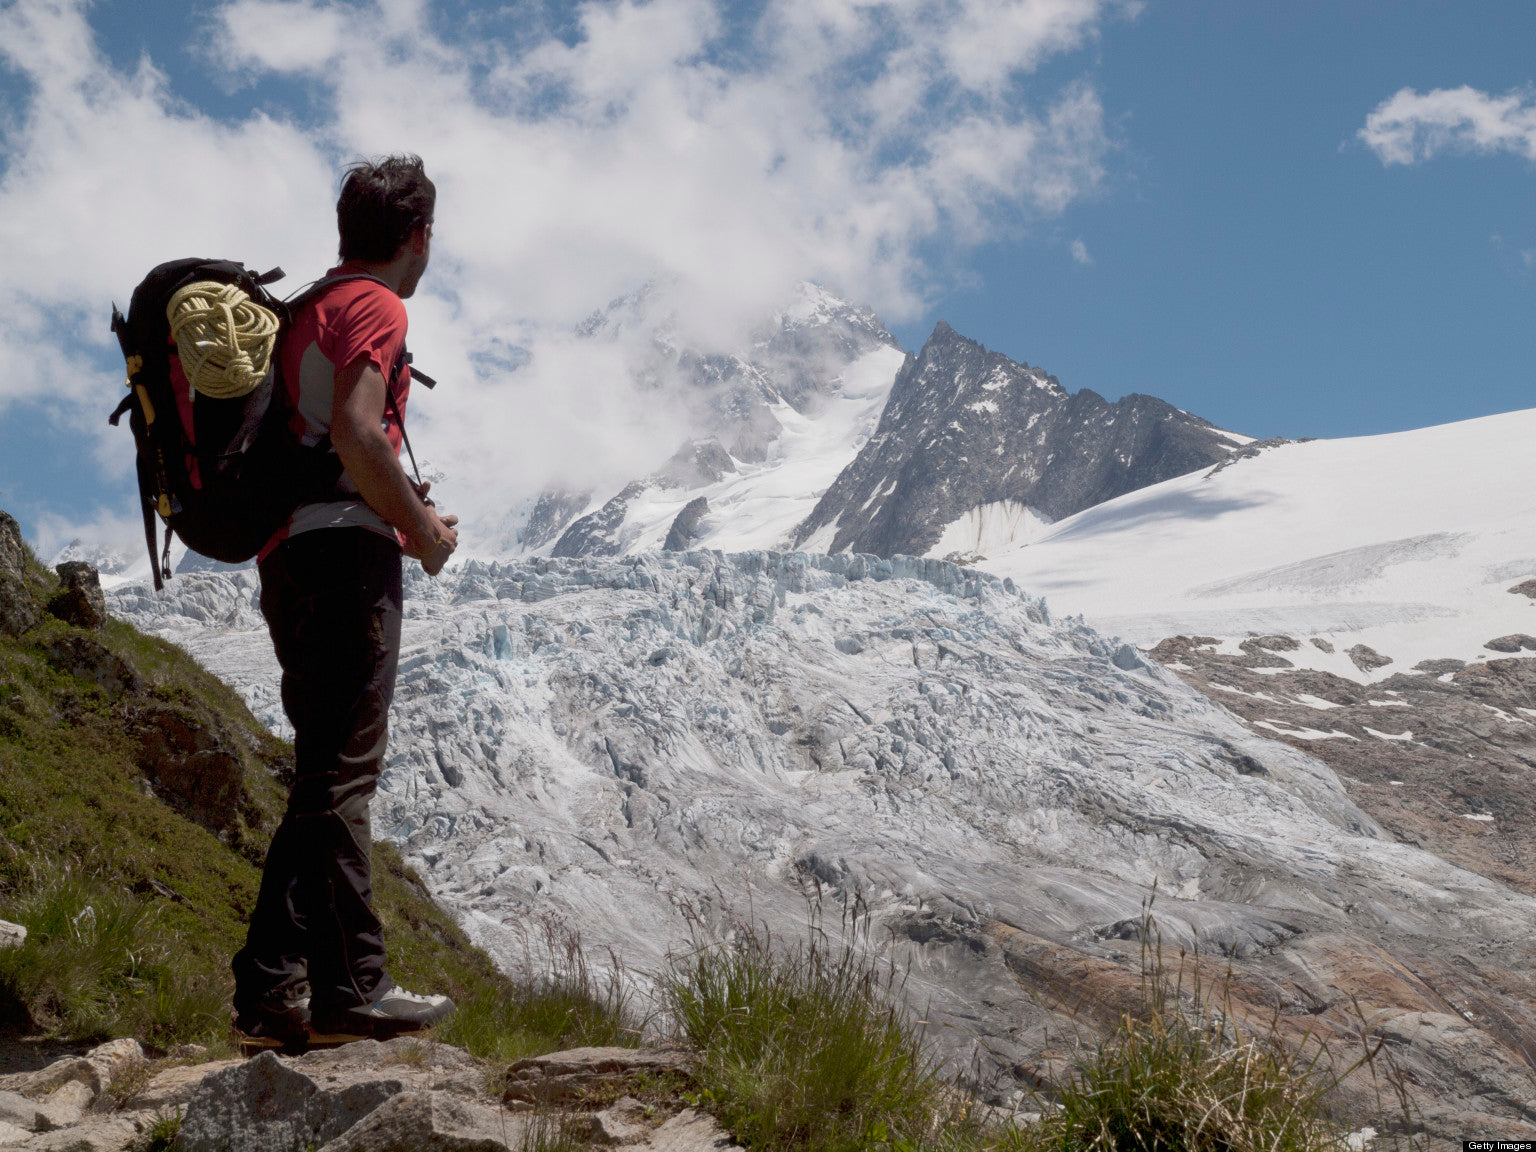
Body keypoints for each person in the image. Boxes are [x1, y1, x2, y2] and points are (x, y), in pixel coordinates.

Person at [231, 155, 460, 1047]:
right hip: (345, 562)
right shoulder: (375, 303)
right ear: (419, 235)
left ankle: (269, 992)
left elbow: (325, 438)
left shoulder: (305, 311)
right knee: (343, 779)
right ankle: (352, 989)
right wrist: (423, 535)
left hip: (288, 560)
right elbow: (362, 435)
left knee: (321, 776)